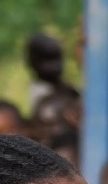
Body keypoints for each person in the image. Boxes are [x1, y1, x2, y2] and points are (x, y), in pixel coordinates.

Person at [22, 31, 86, 169]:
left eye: (57, 59)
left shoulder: (69, 90)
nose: (54, 66)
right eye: (46, 60)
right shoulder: (40, 96)